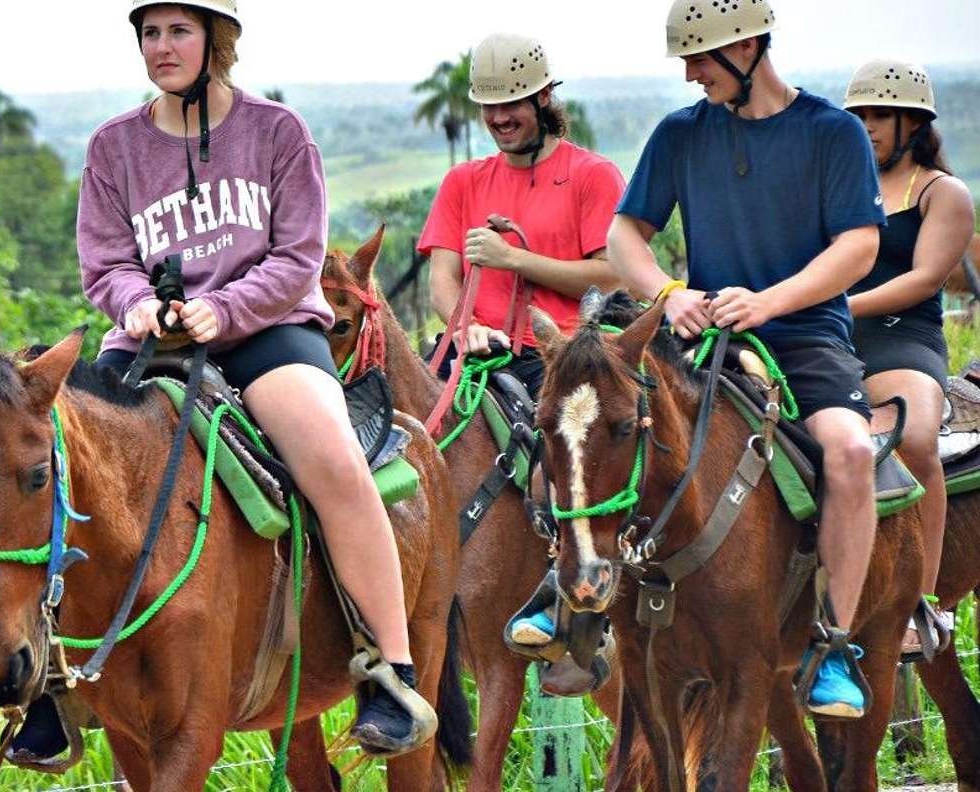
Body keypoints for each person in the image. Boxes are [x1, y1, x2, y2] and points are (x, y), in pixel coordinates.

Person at [78, 0, 436, 755]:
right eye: (149, 32)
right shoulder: (113, 147)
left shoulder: (276, 131)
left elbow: (300, 255)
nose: (161, 46)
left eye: (178, 30)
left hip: (265, 333)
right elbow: (103, 264)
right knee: (59, 460)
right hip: (149, 345)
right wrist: (140, 306)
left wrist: (222, 308)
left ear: (218, 39)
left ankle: (389, 670)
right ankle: (50, 677)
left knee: (336, 463)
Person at [609, 0, 885, 718]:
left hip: (805, 337)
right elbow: (624, 235)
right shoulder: (677, 136)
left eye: (699, 57)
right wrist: (669, 294)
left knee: (851, 452)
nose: (689, 74)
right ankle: (569, 602)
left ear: (750, 46)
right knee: (593, 424)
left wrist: (767, 302)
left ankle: (833, 645)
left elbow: (858, 246)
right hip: (702, 344)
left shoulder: (832, 133)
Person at [842, 58, 974, 658]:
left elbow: (924, 280)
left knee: (915, 436)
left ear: (913, 123)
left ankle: (924, 600)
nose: (866, 126)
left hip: (901, 337)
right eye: (860, 115)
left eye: (879, 115)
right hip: (831, 334)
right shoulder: (841, 186)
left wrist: (838, 304)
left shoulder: (942, 193)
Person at [419, 32, 624, 398]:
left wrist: (512, 259)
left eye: (511, 104)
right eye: (488, 107)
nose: (499, 118)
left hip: (563, 354)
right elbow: (442, 279)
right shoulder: (462, 181)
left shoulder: (593, 175)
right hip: (475, 348)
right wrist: (466, 327)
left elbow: (612, 279)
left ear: (544, 96)